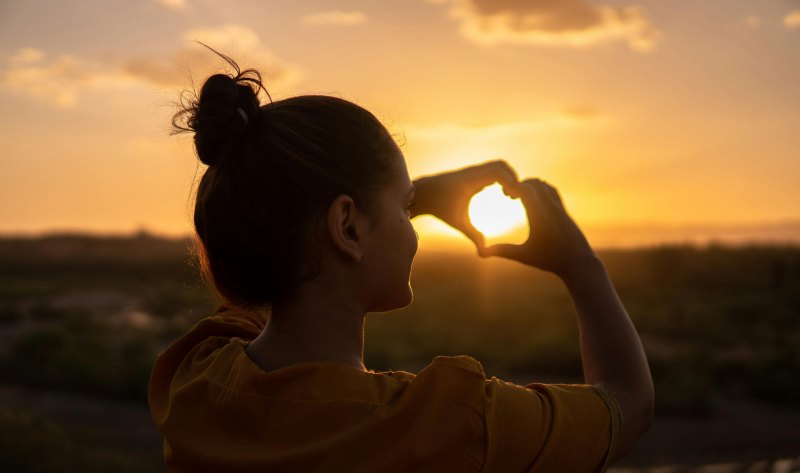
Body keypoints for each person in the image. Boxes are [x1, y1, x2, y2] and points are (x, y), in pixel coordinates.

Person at [148, 50, 654, 473]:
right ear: (346, 226)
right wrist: (582, 266)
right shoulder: (448, 422)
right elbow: (627, 403)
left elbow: (285, 260)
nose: (413, 229)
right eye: (406, 209)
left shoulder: (195, 378)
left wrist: (392, 202)